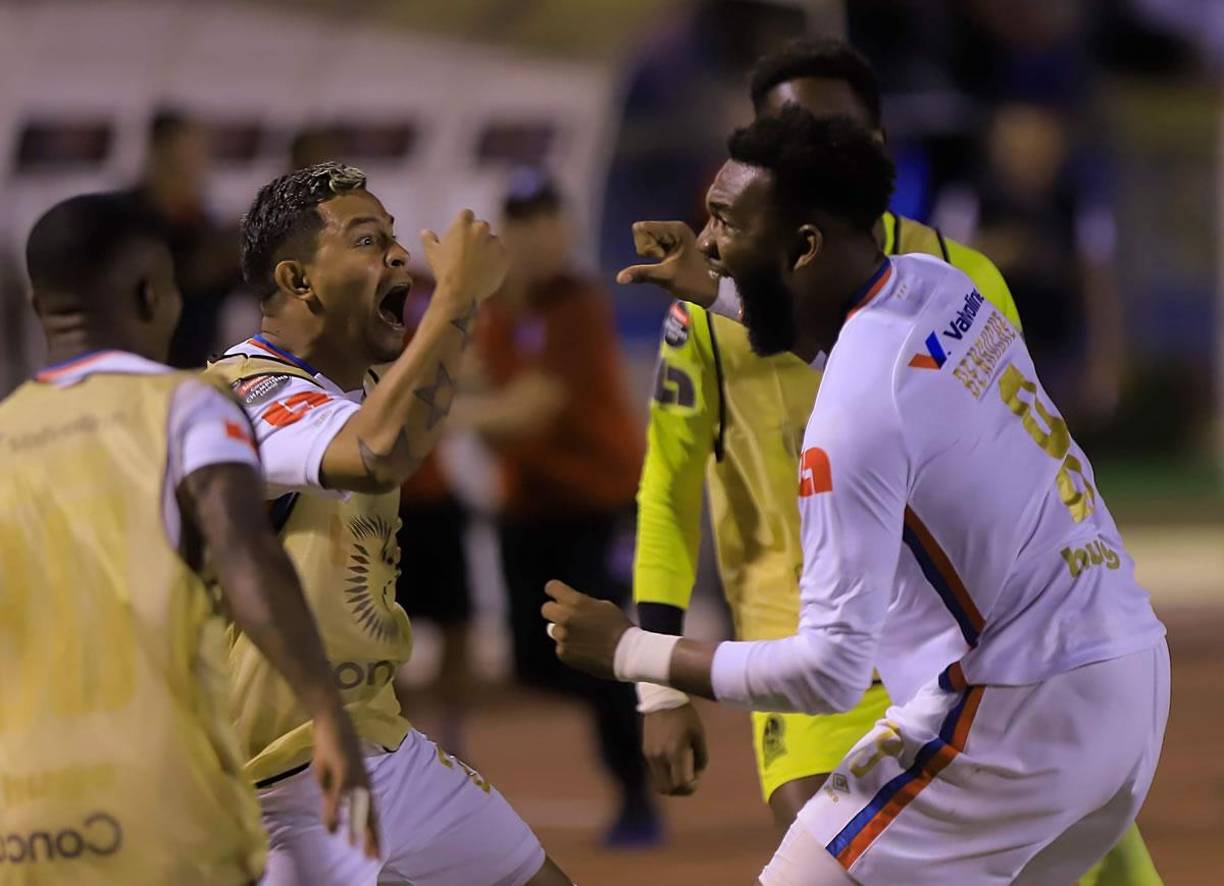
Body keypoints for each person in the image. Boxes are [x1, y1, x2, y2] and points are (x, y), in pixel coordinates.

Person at [543, 109, 1169, 884]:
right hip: (1126, 669)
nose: (704, 240)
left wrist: (634, 654)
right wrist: (721, 287)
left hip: (1016, 712)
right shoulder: (938, 287)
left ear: (804, 246)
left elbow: (830, 673)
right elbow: (851, 341)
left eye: (727, 224)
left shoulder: (848, 427)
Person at [204, 163, 570, 886]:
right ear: (297, 279)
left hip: (379, 746)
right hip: (275, 788)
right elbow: (375, 455)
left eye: (395, 239)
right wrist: (457, 302)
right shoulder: (242, 396)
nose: (400, 256)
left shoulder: (361, 389)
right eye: (369, 241)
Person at [0, 192, 374, 883]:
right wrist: (328, 713)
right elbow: (248, 559)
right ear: (154, 294)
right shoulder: (191, 406)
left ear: (37, 308)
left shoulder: (7, 434)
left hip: (24, 820)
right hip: (164, 804)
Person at [469, 170, 659, 846]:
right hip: (529, 510)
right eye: (522, 221)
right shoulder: (497, 313)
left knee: (599, 647)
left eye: (546, 218)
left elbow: (528, 411)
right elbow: (495, 412)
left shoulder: (575, 305)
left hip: (596, 505)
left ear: (566, 228)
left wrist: (435, 417)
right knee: (531, 659)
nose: (535, 234)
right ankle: (645, 703)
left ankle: (637, 791)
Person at [126, 108, 243, 368]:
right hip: (148, 366)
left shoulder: (202, 220)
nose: (196, 167)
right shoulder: (130, 218)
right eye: (185, 156)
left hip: (197, 363)